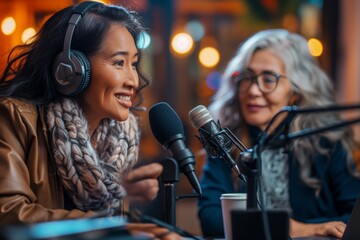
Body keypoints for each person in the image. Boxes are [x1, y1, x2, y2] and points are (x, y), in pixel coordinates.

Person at [0, 2, 181, 239]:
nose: (133, 81)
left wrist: (150, 229)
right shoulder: (14, 118)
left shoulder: (120, 142)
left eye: (134, 64)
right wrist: (112, 227)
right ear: (71, 68)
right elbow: (9, 215)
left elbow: (117, 223)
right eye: (119, 63)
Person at [197, 29, 360, 239]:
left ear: (295, 91)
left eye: (268, 79)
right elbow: (211, 218)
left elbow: (353, 218)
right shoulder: (225, 143)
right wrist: (297, 229)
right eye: (247, 78)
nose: (253, 90)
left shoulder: (327, 142)